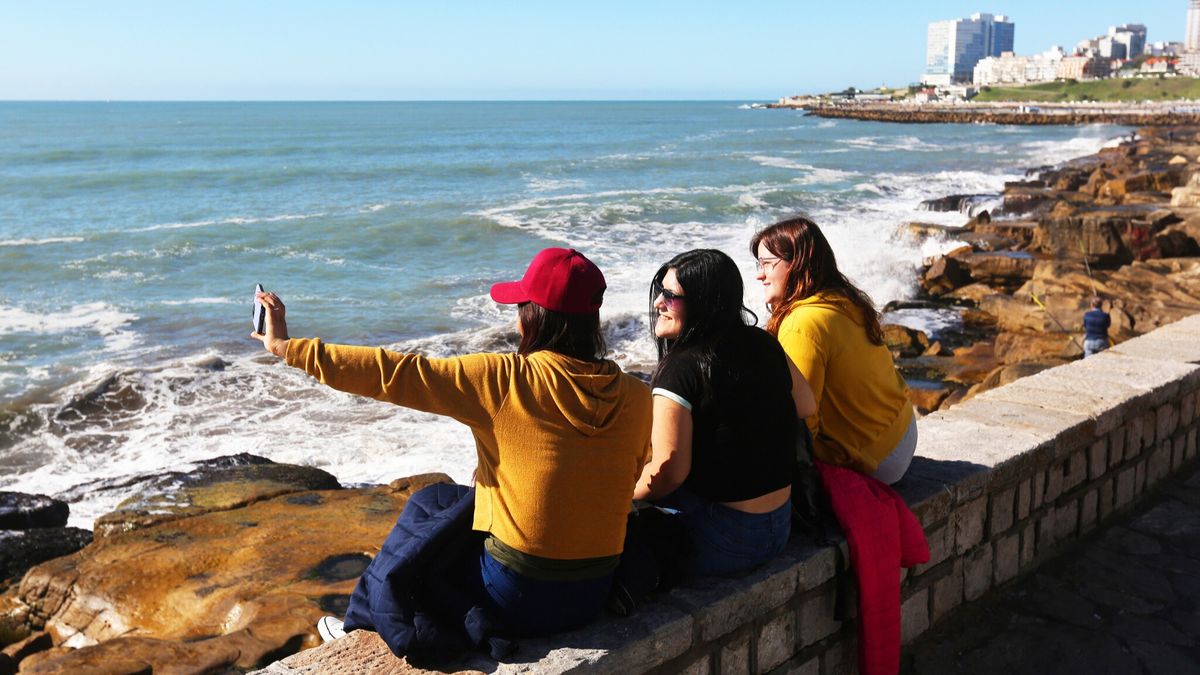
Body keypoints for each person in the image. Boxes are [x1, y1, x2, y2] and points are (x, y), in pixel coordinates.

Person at [252, 247, 652, 637]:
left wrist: (286, 348)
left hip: (517, 596)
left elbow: (394, 373)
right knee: (442, 500)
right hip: (592, 593)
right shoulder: (636, 396)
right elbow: (619, 480)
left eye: (520, 306)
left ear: (533, 317)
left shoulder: (504, 379)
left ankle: (361, 625)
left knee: (423, 524)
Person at [633, 249, 817, 578]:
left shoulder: (680, 370)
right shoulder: (763, 342)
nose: (658, 303)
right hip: (780, 524)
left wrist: (620, 495)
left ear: (703, 303)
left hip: (726, 540)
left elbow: (669, 473)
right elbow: (806, 405)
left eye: (670, 296)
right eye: (660, 292)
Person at [750, 217, 916, 485]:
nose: (760, 275)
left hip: (877, 457)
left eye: (768, 264)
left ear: (797, 263)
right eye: (759, 264)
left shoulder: (802, 323)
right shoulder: (843, 299)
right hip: (902, 429)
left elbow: (802, 418)